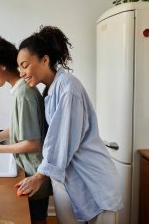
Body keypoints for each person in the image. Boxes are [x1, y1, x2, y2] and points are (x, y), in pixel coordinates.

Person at [15, 26, 123, 224]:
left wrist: (39, 176)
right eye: (19, 68)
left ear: (45, 60)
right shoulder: (50, 90)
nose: (21, 73)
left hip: (94, 179)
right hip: (70, 179)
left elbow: (61, 139)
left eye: (24, 65)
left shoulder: (68, 87)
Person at [0, 36, 52, 224]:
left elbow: (33, 143)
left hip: (34, 174)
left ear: (2, 65)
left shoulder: (24, 93)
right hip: (30, 172)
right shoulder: (20, 90)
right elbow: (17, 128)